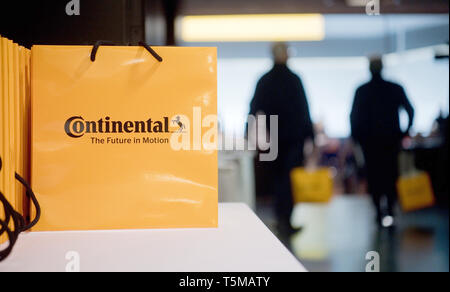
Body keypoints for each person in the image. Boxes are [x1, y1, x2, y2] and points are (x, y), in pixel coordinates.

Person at [249, 43, 315, 235]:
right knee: (288, 179)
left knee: (279, 179)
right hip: (294, 138)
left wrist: (249, 132)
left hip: (275, 137)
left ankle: (281, 219)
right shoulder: (294, 79)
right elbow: (304, 109)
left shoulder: (265, 80)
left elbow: (254, 108)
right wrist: (309, 135)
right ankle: (285, 219)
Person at [351, 56, 415, 227]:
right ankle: (390, 212)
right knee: (390, 175)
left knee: (375, 177)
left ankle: (380, 213)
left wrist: (357, 139)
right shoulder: (394, 88)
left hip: (370, 143)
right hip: (390, 140)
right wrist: (404, 133)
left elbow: (353, 118)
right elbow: (410, 110)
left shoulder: (362, 90)